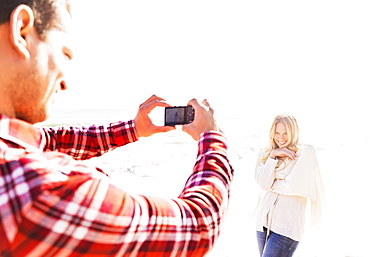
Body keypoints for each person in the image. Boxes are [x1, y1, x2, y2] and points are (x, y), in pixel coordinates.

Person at [0, 1, 234, 256]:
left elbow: (51, 140)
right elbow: (198, 226)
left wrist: (134, 129)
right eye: (65, 54)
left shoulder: (11, 150)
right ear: (21, 31)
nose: (65, 82)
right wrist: (213, 138)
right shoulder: (37, 189)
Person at [254, 115, 324, 257]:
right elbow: (263, 184)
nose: (281, 138)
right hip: (263, 222)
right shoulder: (266, 153)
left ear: (293, 132)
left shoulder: (305, 152)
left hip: (287, 227)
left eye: (286, 133)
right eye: (277, 133)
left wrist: (272, 184)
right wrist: (273, 157)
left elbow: (292, 187)